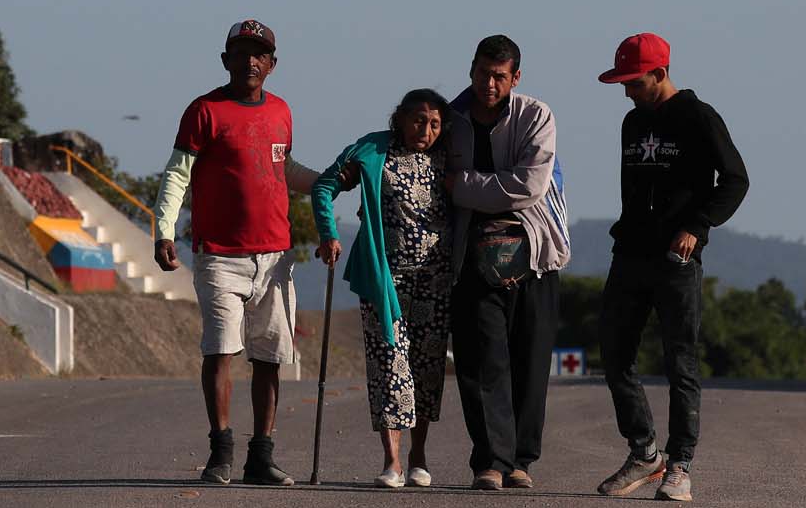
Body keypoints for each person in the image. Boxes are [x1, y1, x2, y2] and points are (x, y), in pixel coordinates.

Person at [152, 19, 321, 486]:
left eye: (259, 53)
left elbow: (283, 167)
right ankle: (220, 451)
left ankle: (260, 456)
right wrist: (164, 231)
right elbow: (177, 175)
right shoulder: (204, 111)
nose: (250, 60)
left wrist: (327, 181)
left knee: (269, 356)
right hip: (219, 254)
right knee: (221, 348)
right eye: (241, 52)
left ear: (272, 64)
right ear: (225, 60)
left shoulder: (282, 111)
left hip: (275, 256)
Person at [594, 33, 749, 503]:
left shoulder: (699, 117)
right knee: (615, 354)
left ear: (659, 74)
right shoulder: (631, 123)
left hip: (676, 260)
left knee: (680, 362)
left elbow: (736, 181)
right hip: (629, 256)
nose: (627, 92)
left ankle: (679, 465)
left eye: (634, 82)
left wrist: (698, 227)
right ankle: (644, 452)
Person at [444, 34, 569, 491]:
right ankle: (490, 462)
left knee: (530, 362)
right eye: (482, 72)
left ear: (515, 78)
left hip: (535, 254)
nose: (488, 83)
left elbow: (528, 186)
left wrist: (461, 186)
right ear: (470, 69)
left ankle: (522, 461)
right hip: (471, 259)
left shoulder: (537, 116)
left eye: (499, 76)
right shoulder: (450, 118)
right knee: (480, 362)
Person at [311, 88, 453, 490]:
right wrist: (329, 232)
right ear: (400, 119)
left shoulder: (448, 155)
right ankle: (392, 462)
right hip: (384, 278)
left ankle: (418, 455)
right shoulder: (373, 151)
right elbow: (325, 186)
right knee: (390, 365)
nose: (426, 130)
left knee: (426, 368)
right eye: (418, 120)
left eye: (435, 123)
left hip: (436, 279)